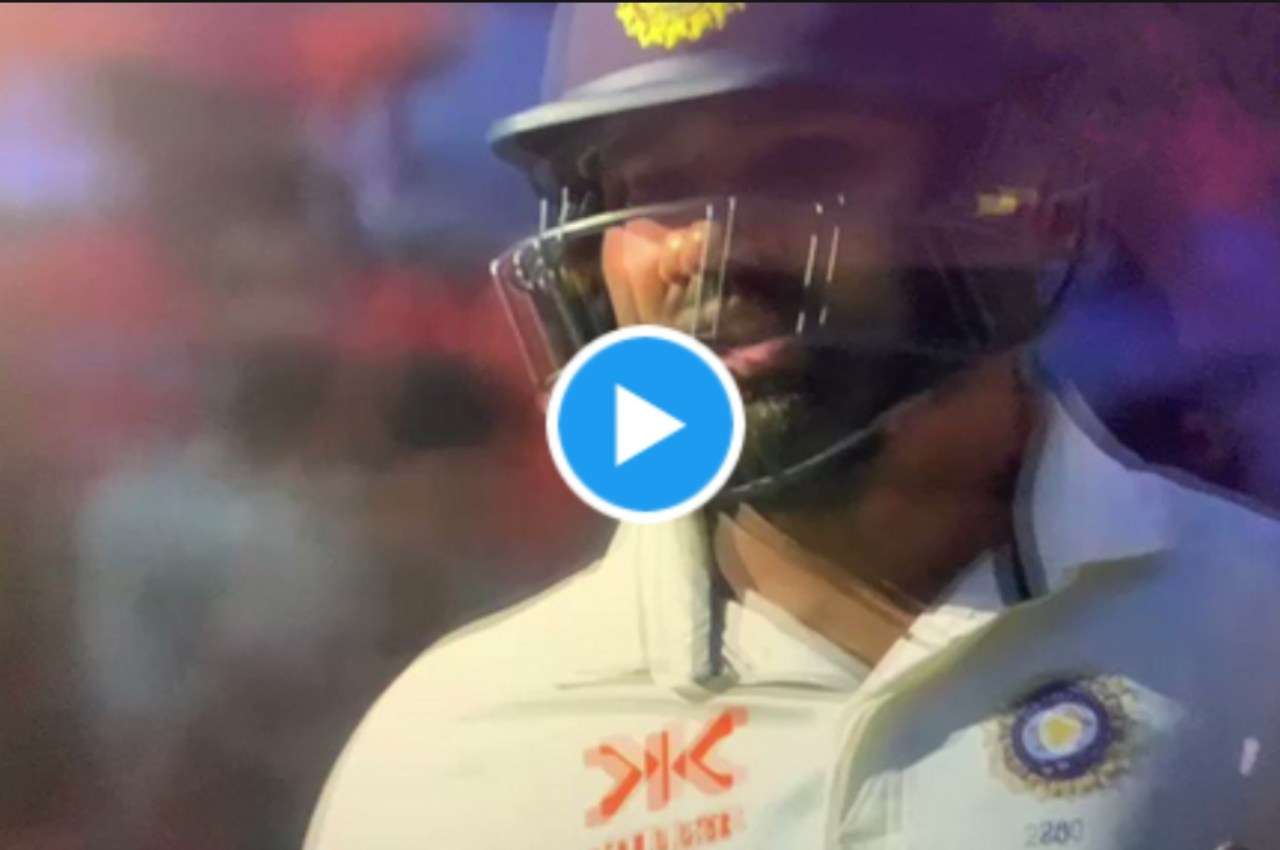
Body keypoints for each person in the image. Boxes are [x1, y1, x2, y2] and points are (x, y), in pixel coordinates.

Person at [305, 5, 1280, 849]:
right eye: (650, 188)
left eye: (801, 163)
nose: (705, 246)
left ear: (1015, 206)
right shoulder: (453, 749)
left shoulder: (1250, 628)